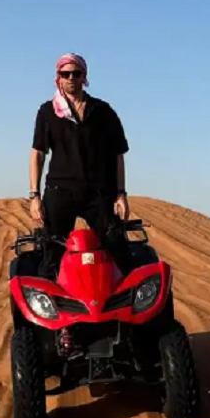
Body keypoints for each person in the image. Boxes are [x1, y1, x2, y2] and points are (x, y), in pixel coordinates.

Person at [28, 53, 136, 277]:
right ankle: (51, 300)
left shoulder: (103, 111)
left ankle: (126, 298)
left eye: (75, 73)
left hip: (98, 192)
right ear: (58, 77)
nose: (70, 78)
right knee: (52, 256)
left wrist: (121, 194)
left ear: (84, 76)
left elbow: (118, 154)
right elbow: (38, 153)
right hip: (60, 191)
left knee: (117, 249)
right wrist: (34, 195)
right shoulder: (47, 112)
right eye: (65, 74)